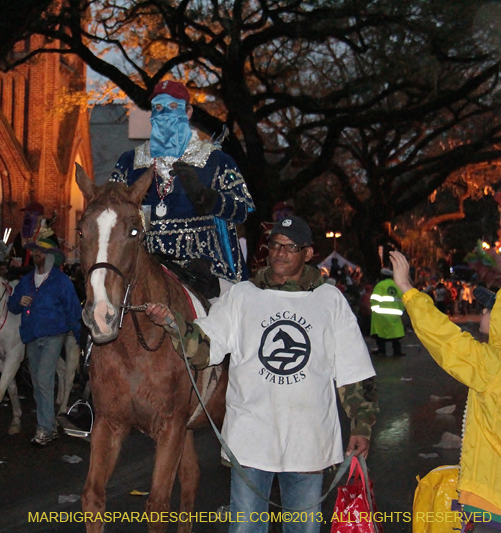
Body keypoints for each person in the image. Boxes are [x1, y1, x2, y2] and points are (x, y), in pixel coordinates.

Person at [145, 215, 378, 533]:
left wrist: (362, 425)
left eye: (290, 247)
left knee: (303, 529)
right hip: (251, 441)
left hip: (308, 442)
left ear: (308, 253)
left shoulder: (330, 300)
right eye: (275, 245)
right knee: (246, 528)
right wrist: (174, 324)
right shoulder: (242, 295)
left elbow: (354, 368)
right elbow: (206, 346)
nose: (280, 253)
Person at [109, 80, 254, 296]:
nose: (165, 114)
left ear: (188, 112)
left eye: (173, 106)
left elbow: (243, 209)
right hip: (144, 267)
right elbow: (109, 213)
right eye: (158, 107)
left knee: (224, 312)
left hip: (204, 271)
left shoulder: (215, 160)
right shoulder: (129, 162)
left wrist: (208, 197)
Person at [390, 251, 501, 531]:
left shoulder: (491, 366)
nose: (484, 312)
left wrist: (406, 288)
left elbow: (443, 337)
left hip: (492, 499)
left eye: (491, 309)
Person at [8, 236, 82, 446]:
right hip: (32, 336)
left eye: (40, 251)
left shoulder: (61, 282)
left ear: (50, 256)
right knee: (38, 382)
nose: (36, 254)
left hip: (53, 336)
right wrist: (18, 302)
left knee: (43, 379)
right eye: (35, 251)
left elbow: (73, 309)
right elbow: (12, 306)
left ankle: (45, 428)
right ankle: (49, 424)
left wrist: (77, 337)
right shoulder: (27, 281)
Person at [370, 268, 406, 357]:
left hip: (381, 314)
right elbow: (403, 299)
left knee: (380, 333)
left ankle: (381, 350)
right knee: (394, 334)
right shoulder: (397, 286)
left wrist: (374, 310)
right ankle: (397, 351)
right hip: (395, 315)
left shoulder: (380, 285)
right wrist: (400, 310)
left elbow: (374, 299)